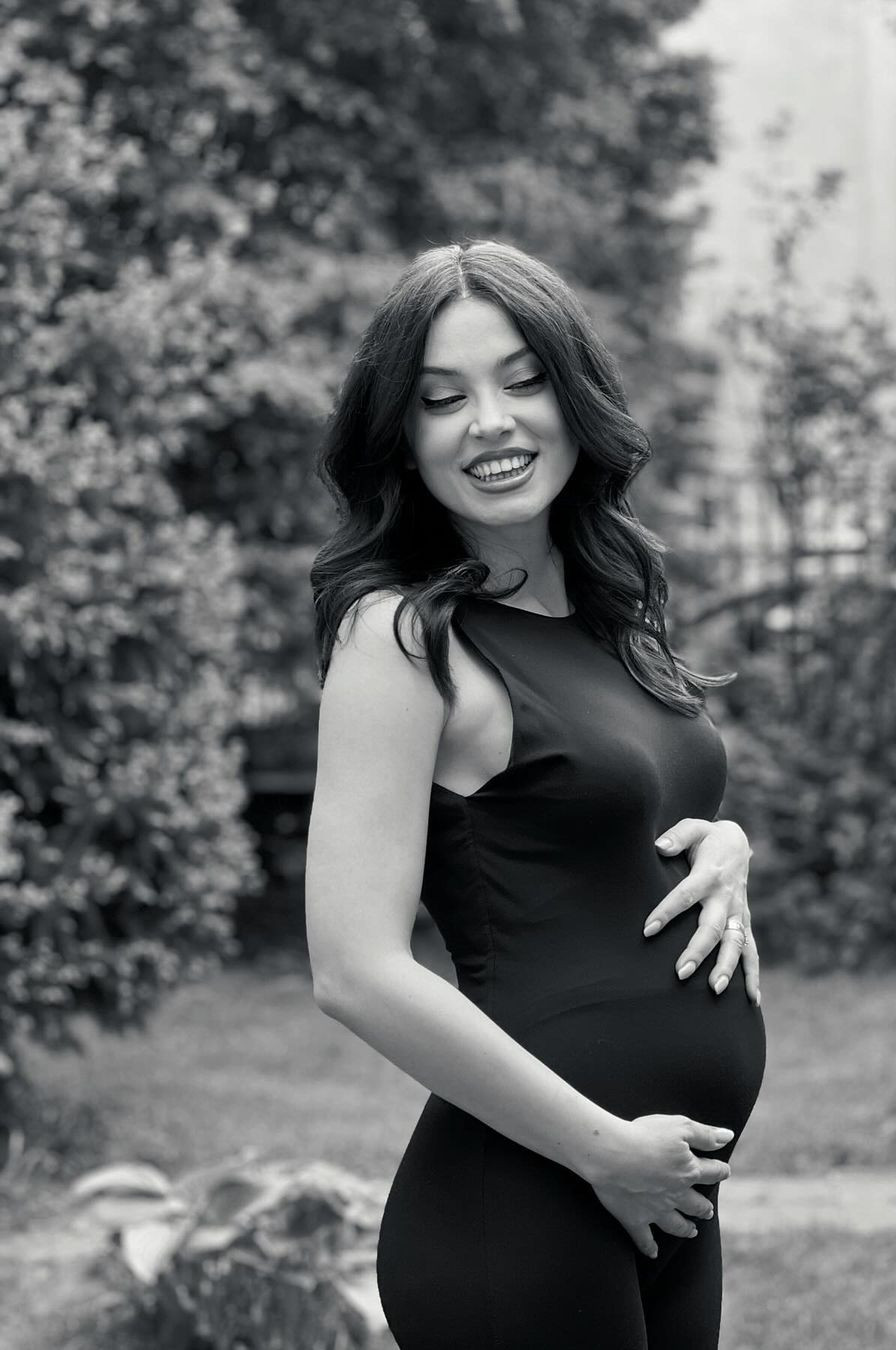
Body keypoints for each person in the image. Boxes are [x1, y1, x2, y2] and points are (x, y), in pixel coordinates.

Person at [305, 239, 767, 1349]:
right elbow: (353, 969)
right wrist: (605, 1150)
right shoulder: (402, 637)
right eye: (442, 399)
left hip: (665, 1193)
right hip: (529, 1203)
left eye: (523, 380)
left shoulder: (607, 611)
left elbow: (598, 822)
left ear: (574, 394)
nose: (490, 423)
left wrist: (728, 844)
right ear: (402, 437)